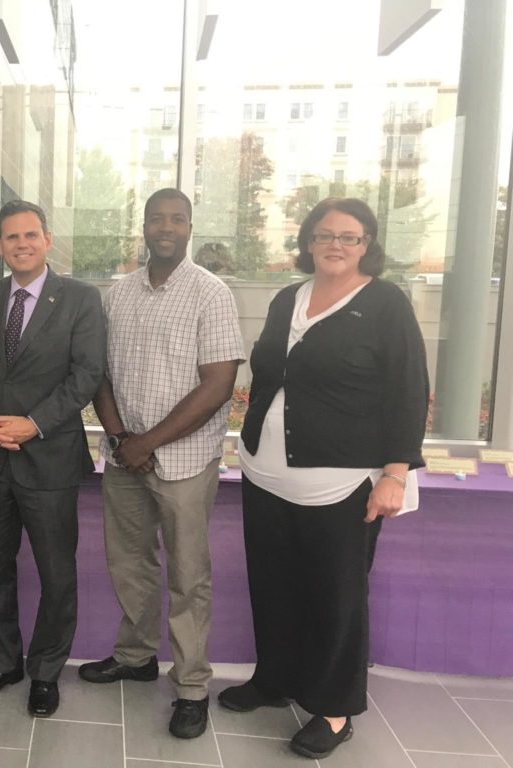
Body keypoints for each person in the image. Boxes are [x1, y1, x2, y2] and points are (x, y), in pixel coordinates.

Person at [221, 197, 429, 759]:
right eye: (326, 234)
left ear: (368, 246)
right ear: (309, 240)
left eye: (351, 237)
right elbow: (267, 375)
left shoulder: (386, 305)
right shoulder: (288, 297)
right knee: (273, 583)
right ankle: (275, 679)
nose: (336, 245)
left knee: (337, 596)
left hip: (343, 483)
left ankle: (335, 711)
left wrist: (394, 472)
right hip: (266, 473)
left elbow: (408, 392)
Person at [79, 188, 244, 740]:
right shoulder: (117, 293)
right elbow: (96, 372)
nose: (166, 227)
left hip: (184, 462)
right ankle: (134, 656)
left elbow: (219, 383)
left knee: (187, 575)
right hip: (125, 457)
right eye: (156, 218)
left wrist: (148, 441)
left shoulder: (211, 293)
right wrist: (124, 438)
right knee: (129, 563)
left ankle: (192, 685)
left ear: (190, 227)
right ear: (143, 227)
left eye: (177, 219)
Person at [0, 200, 105, 718]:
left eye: (30, 235)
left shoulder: (80, 299)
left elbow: (87, 374)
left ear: (47, 240)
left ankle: (45, 671)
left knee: (56, 574)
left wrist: (35, 422)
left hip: (50, 460)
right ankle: (3, 663)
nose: (20, 244)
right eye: (10, 237)